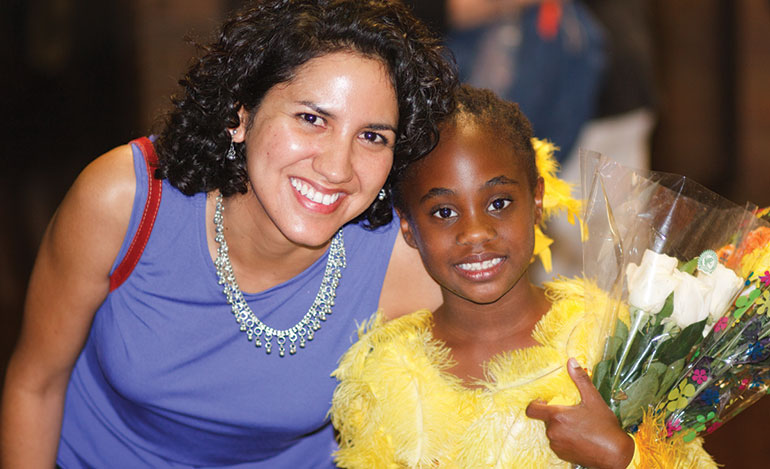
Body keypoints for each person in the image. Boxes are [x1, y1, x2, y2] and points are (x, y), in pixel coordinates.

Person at [0, 1, 456, 467]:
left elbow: (507, 363)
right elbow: (35, 385)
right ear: (240, 115)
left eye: (373, 136)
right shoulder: (125, 202)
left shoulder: (399, 260)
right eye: (311, 119)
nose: (337, 168)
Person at [329, 85, 717, 468]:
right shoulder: (384, 373)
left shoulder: (609, 338)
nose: (476, 232)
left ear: (536, 202)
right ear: (409, 227)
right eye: (444, 212)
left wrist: (621, 456)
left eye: (499, 203)